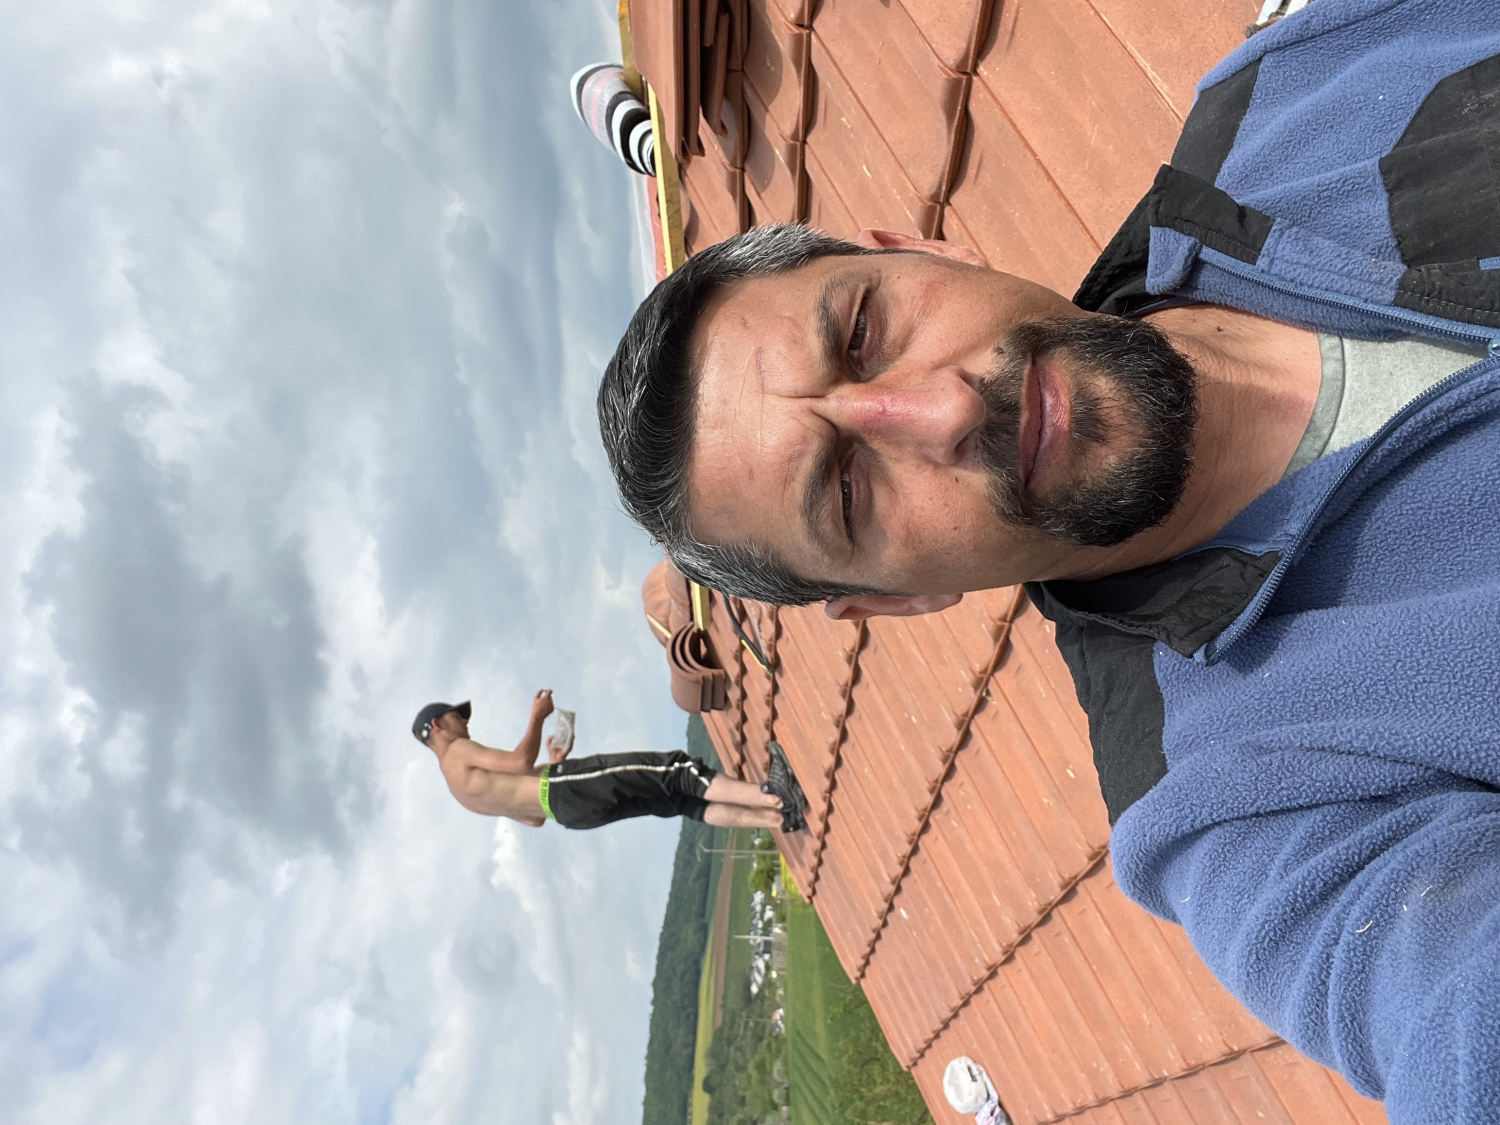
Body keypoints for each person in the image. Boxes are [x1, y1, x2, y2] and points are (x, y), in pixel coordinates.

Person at [597, 2, 1500, 1120]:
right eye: (847, 489)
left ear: (925, 250)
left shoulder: (1304, 77)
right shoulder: (1236, 810)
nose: (939, 410)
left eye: (864, 333)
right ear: (898, 599)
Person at [411, 692, 803, 831]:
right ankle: (773, 795)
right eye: (457, 716)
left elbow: (532, 819)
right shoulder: (456, 752)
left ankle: (776, 818)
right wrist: (537, 717)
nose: (464, 722)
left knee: (681, 803)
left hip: (569, 813)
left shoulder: (461, 794)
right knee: (674, 770)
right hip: (565, 787)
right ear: (437, 725)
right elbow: (517, 763)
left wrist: (551, 762)